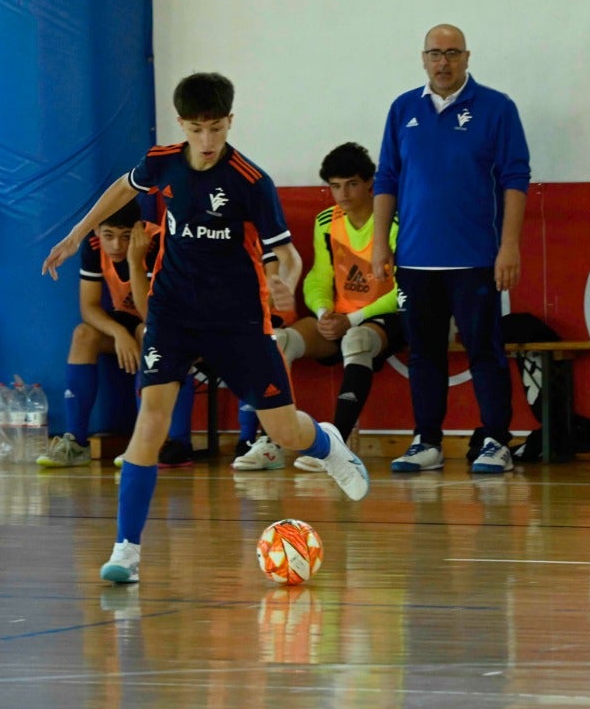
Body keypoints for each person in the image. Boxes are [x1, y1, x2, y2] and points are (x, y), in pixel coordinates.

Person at [42, 72, 368, 584]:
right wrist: (73, 234)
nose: (207, 141)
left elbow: (287, 252)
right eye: (197, 130)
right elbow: (119, 190)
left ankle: (327, 443)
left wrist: (286, 281)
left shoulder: (250, 181)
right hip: (172, 312)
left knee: (283, 430)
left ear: (230, 122)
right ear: (182, 126)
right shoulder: (162, 162)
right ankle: (126, 549)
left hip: (237, 318)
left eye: (216, 129)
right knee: (149, 421)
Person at [371, 24, 530, 474]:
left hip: (476, 257)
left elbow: (515, 178)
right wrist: (382, 244)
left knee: (484, 349)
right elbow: (386, 178)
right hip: (416, 260)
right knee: (423, 352)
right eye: (435, 53)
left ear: (467, 57)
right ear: (423, 58)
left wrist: (509, 246)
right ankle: (427, 441)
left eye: (453, 53)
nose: (443, 62)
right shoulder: (403, 109)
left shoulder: (497, 108)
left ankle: (496, 439)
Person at [236, 143, 403, 473]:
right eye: (335, 185)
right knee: (278, 341)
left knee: (356, 340)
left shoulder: (394, 220)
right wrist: (324, 311)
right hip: (338, 319)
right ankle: (268, 443)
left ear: (370, 183)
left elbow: (403, 289)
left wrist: (352, 319)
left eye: (351, 184)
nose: (342, 193)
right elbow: (319, 276)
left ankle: (335, 444)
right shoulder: (327, 221)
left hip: (387, 318)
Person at [41, 201, 196, 468]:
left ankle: (161, 443)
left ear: (137, 230)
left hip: (173, 322)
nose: (115, 246)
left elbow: (151, 314)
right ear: (98, 231)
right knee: (83, 335)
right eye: (108, 236)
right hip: (129, 321)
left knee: (147, 333)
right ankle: (76, 442)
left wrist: (136, 262)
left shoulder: (159, 242)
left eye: (125, 237)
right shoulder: (92, 245)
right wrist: (118, 333)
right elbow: (88, 307)